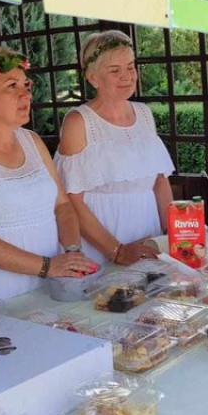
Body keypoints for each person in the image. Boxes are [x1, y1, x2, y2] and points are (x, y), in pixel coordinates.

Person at [0, 46, 96, 301]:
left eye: (26, 85)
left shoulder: (32, 141)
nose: (25, 95)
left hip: (48, 282)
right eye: (12, 87)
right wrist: (47, 266)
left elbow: (62, 205)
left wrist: (71, 253)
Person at [56, 30, 175, 266]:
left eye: (130, 67)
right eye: (115, 70)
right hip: (101, 240)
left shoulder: (144, 114)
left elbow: (160, 182)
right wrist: (116, 250)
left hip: (148, 232)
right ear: (93, 77)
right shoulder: (78, 122)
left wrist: (171, 232)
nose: (127, 76)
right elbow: (71, 200)